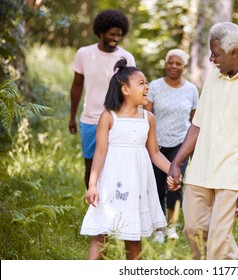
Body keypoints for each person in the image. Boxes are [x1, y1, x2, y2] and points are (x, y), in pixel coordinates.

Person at [167, 22, 238, 260]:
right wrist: (177, 162)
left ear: (234, 52)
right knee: (194, 230)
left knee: (218, 243)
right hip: (201, 169)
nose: (211, 59)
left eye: (216, 54)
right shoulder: (214, 78)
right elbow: (197, 124)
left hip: (233, 174)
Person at [80, 58, 172, 260]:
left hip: (138, 184)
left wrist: (173, 170)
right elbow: (100, 153)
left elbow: (155, 153)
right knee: (101, 233)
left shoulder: (148, 118)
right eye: (141, 83)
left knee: (133, 236)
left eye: (147, 83)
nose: (147, 86)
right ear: (125, 89)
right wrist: (93, 184)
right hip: (112, 183)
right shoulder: (109, 117)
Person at [68, 9, 136, 190]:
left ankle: (112, 206)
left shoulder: (126, 58)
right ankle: (93, 206)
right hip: (90, 120)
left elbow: (132, 90)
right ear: (101, 32)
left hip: (118, 120)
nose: (116, 38)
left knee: (116, 167)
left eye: (119, 35)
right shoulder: (84, 54)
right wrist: (72, 116)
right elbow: (76, 86)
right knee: (90, 167)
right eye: (112, 34)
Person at [144, 49, 199, 243]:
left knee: (175, 185)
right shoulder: (155, 87)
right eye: (171, 62)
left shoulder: (191, 90)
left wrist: (193, 149)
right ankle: (158, 228)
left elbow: (195, 122)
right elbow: (146, 115)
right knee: (157, 186)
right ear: (166, 64)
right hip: (156, 144)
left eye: (178, 63)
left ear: (184, 67)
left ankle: (171, 226)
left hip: (180, 144)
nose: (174, 66)